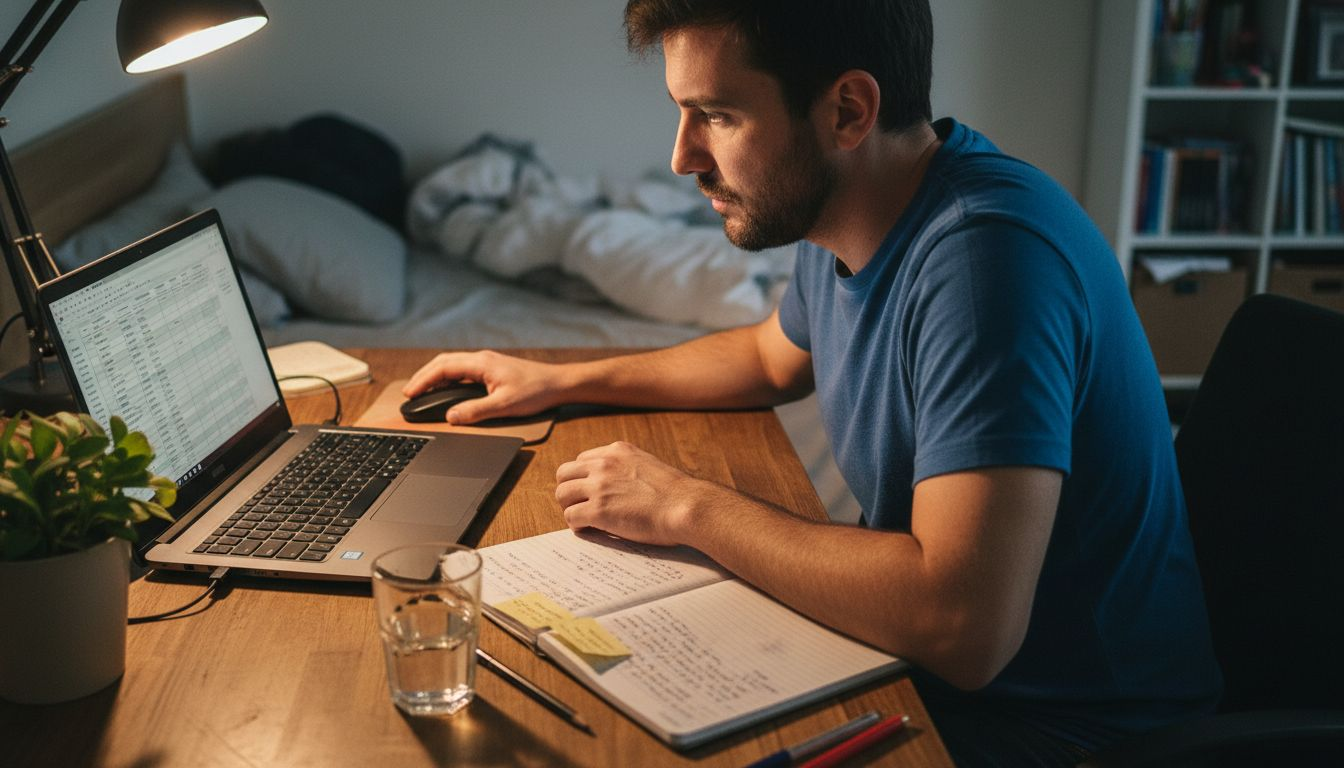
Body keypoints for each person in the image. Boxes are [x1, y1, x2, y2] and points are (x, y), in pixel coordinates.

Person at [406, 1, 1222, 764]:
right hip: (942, 680)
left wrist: (685, 505)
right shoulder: (848, 206)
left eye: (718, 115)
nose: (683, 155)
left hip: (1066, 729)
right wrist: (557, 380)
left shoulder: (984, 267)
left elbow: (965, 627)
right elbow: (770, 356)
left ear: (846, 112)